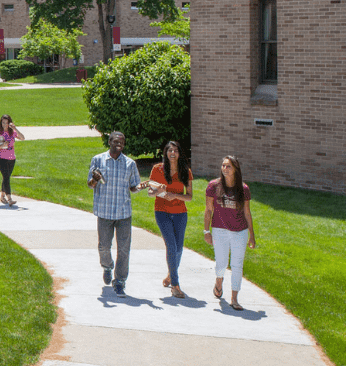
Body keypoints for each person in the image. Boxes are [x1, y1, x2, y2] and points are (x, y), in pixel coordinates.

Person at [87, 131, 141, 297]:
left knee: (124, 249)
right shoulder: (98, 160)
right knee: (103, 247)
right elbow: (90, 185)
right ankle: (107, 266)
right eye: (116, 141)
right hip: (104, 212)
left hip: (124, 213)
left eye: (122, 142)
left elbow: (134, 186)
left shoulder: (130, 163)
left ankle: (120, 281)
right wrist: (95, 179)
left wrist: (142, 187)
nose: (119, 144)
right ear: (109, 141)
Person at [204, 156, 257, 311]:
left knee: (237, 265)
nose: (225, 169)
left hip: (239, 231)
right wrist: (206, 231)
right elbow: (208, 210)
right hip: (219, 230)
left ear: (235, 169)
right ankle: (219, 281)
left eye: (228, 166)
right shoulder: (213, 186)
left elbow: (247, 213)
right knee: (221, 263)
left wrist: (251, 235)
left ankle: (234, 298)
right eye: (223, 166)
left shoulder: (243, 188)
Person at [143, 140, 193, 299]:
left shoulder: (186, 171)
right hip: (162, 212)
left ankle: (171, 274)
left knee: (179, 249)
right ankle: (175, 285)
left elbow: (190, 196)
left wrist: (175, 195)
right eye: (170, 150)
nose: (172, 153)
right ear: (165, 153)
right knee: (171, 246)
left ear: (179, 153)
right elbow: (150, 193)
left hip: (180, 213)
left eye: (176, 151)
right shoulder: (157, 169)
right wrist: (158, 191)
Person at [0, 114, 25, 206]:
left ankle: (2, 195)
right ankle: (9, 198)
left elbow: (22, 138)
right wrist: (2, 145)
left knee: (6, 178)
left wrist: (15, 128)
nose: (5, 125)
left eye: (6, 123)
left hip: (11, 158)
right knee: (6, 177)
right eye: (3, 123)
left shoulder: (12, 132)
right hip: (1, 158)